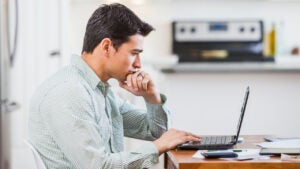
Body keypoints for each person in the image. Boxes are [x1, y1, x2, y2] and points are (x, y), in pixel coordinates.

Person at [28, 3, 200, 169]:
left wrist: (151, 96)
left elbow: (156, 132)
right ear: (107, 47)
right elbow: (99, 167)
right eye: (134, 54)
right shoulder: (69, 92)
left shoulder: (101, 91)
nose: (139, 64)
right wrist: (157, 147)